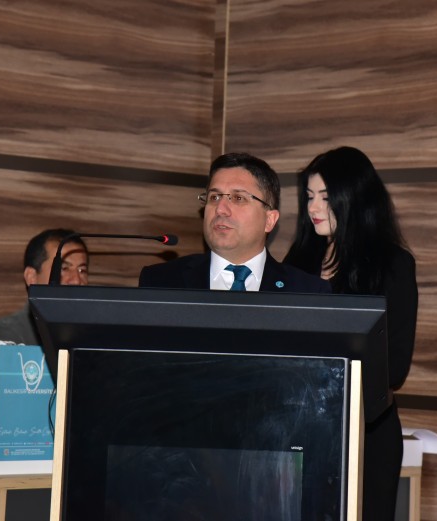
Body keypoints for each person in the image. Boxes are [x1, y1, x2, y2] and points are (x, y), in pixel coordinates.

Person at [283, 146, 418, 521]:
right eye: (309, 196)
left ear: (353, 199)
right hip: (300, 428)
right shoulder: (298, 261)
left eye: (326, 198)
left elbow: (395, 366)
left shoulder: (392, 265)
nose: (314, 208)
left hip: (367, 432)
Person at [139, 152, 330, 293]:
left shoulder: (307, 291)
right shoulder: (160, 282)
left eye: (238, 198)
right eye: (214, 197)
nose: (220, 209)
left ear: (269, 220)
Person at [0, 228, 89, 345]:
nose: (76, 281)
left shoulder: (94, 332)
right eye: (64, 268)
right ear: (31, 277)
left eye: (82, 270)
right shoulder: (6, 334)